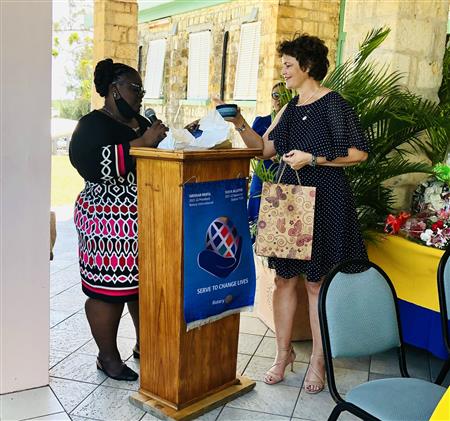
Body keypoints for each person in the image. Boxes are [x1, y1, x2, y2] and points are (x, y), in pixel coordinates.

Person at [217, 34, 369, 393]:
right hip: (288, 200)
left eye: (288, 65)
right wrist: (239, 122)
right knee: (284, 280)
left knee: (315, 284)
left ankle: (318, 360)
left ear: (308, 65)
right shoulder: (288, 108)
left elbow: (358, 153)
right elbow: (263, 149)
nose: (283, 71)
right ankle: (283, 354)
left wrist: (312, 159)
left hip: (326, 199)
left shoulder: (333, 103)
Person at [69, 59, 168, 381]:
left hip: (145, 220)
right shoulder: (91, 124)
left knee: (142, 289)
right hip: (106, 223)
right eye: (135, 88)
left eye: (142, 90)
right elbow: (91, 164)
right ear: (114, 89)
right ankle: (108, 357)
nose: (140, 96)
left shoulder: (140, 122)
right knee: (107, 293)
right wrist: (144, 143)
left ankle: (145, 345)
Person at [247, 82, 285, 231]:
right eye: (275, 95)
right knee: (256, 215)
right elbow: (251, 151)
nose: (279, 99)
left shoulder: (294, 122)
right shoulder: (262, 121)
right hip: (263, 173)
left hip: (283, 175)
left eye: (283, 95)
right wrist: (268, 155)